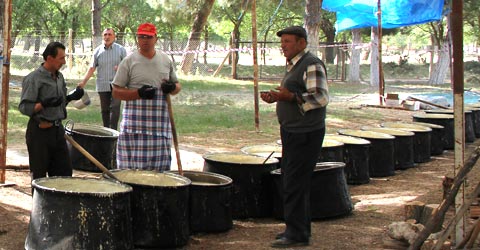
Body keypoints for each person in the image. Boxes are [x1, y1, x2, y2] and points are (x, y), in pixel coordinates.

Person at [260, 26, 329, 248]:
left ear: (301, 43)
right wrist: (278, 97)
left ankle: (297, 234)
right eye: (282, 42)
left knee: (294, 182)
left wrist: (291, 97)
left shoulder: (311, 64)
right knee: (292, 179)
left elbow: (320, 97)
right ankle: (296, 229)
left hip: (305, 133)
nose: (283, 46)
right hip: (293, 131)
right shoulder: (295, 65)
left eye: (288, 41)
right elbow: (295, 95)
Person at [111, 22, 181, 171]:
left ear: (156, 38)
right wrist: (138, 93)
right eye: (142, 37)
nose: (145, 40)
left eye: (148, 37)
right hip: (134, 127)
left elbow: (177, 87)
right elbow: (116, 91)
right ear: (137, 39)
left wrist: (172, 87)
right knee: (130, 172)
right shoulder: (129, 61)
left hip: (159, 127)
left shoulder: (165, 60)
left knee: (158, 173)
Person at [18, 41, 84, 182]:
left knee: (64, 174)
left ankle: (60, 204)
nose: (64, 61)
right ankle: (40, 204)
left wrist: (71, 97)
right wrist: (42, 104)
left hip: (57, 132)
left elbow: (59, 103)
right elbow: (24, 107)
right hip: (39, 133)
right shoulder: (33, 79)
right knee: (39, 177)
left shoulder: (59, 77)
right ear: (49, 58)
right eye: (61, 58)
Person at [78, 28, 127, 130]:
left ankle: (113, 131)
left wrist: (121, 68)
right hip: (103, 84)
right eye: (105, 35)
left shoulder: (121, 50)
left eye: (109, 34)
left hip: (117, 85)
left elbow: (128, 67)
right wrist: (83, 82)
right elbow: (92, 68)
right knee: (105, 110)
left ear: (114, 37)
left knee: (115, 108)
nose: (107, 37)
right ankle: (106, 130)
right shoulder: (97, 51)